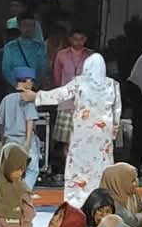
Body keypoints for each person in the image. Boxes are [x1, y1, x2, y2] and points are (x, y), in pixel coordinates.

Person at [35, 53, 122, 198]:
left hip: (82, 133)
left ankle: (76, 199)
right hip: (103, 135)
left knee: (79, 166)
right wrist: (113, 132)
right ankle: (101, 197)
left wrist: (38, 97)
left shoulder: (80, 82)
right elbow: (116, 110)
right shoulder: (113, 85)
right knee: (101, 166)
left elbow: (60, 95)